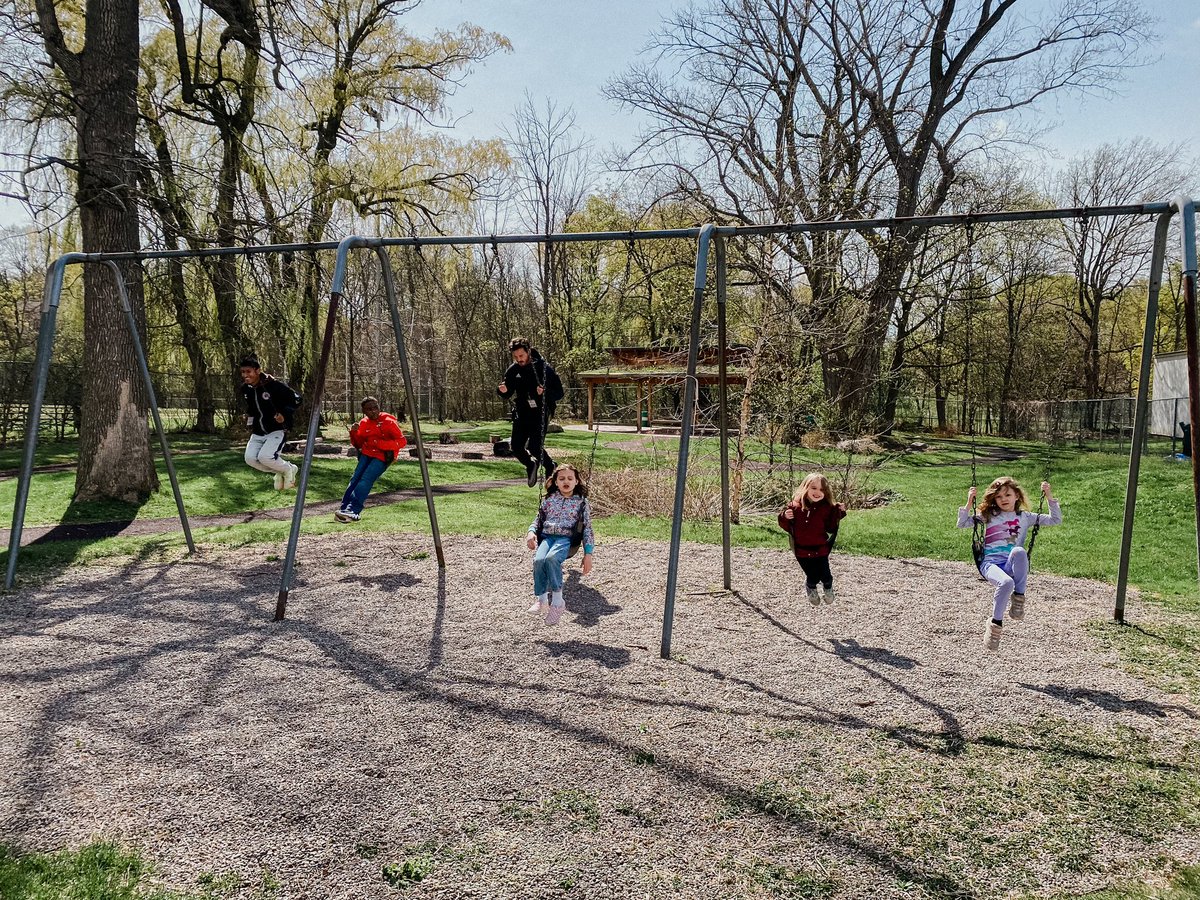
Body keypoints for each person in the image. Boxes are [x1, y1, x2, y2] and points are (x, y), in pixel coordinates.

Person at [958, 476, 1062, 652]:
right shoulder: (988, 515)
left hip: (1010, 564)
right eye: (998, 496)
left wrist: (1049, 495)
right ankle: (995, 626)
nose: (1003, 499)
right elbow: (962, 523)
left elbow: (1055, 520)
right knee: (1006, 583)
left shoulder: (1025, 517)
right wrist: (969, 502)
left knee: (1019, 551)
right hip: (990, 564)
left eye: (1007, 495)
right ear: (994, 499)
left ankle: (1019, 598)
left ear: (1017, 496)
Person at [526, 463, 594, 626]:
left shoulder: (581, 503)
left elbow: (588, 529)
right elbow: (538, 519)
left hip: (566, 539)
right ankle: (542, 600)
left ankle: (557, 602)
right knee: (538, 561)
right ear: (555, 481)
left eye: (570, 478)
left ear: (577, 481)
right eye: (561, 478)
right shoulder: (549, 499)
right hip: (547, 536)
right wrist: (531, 532)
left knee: (551, 559)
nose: (566, 481)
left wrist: (588, 554)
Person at [498, 337, 564, 487]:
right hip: (522, 410)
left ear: (528, 352)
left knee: (534, 446)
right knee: (516, 447)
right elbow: (507, 392)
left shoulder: (544, 368)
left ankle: (550, 466)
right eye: (515, 357)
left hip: (540, 411)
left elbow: (559, 393)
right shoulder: (513, 369)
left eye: (521, 356)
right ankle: (530, 465)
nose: (519, 359)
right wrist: (502, 390)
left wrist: (544, 393)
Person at [335, 397, 407, 523]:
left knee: (366, 479)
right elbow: (358, 444)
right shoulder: (364, 423)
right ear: (364, 411)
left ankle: (354, 510)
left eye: (375, 408)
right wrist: (354, 433)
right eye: (369, 409)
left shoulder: (389, 422)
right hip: (367, 454)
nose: (373, 411)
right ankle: (343, 509)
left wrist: (380, 444)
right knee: (355, 479)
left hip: (383, 456)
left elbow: (402, 441)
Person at [778, 473, 846, 606]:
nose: (817, 492)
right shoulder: (795, 507)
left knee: (827, 576)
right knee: (813, 576)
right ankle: (811, 588)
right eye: (814, 488)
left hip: (820, 549)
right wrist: (784, 517)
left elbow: (831, 528)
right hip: (801, 550)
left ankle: (828, 588)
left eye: (822, 490)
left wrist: (839, 512)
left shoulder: (827, 508)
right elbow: (787, 527)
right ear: (805, 487)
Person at [239, 356, 301, 489]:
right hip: (258, 431)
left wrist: (284, 414)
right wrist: (248, 418)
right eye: (243, 372)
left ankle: (288, 469)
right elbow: (252, 408)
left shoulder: (274, 386)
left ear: (257, 371)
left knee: (265, 457)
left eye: (248, 371)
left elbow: (296, 399)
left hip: (276, 429)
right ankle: (284, 469)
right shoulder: (246, 389)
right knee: (250, 459)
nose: (245, 375)